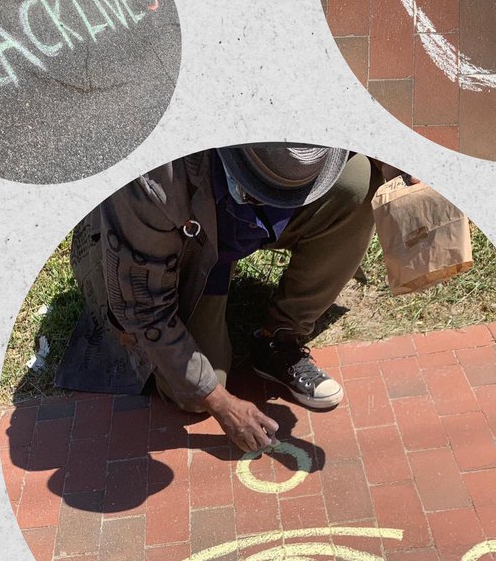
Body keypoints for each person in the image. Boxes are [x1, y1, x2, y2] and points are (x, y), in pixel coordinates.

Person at [56, 144, 396, 452]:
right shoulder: (151, 181)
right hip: (178, 247)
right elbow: (143, 307)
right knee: (193, 395)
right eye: (265, 193)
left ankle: (277, 338)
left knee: (357, 181)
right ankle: (212, 288)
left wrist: (399, 166)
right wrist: (221, 403)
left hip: (229, 215)